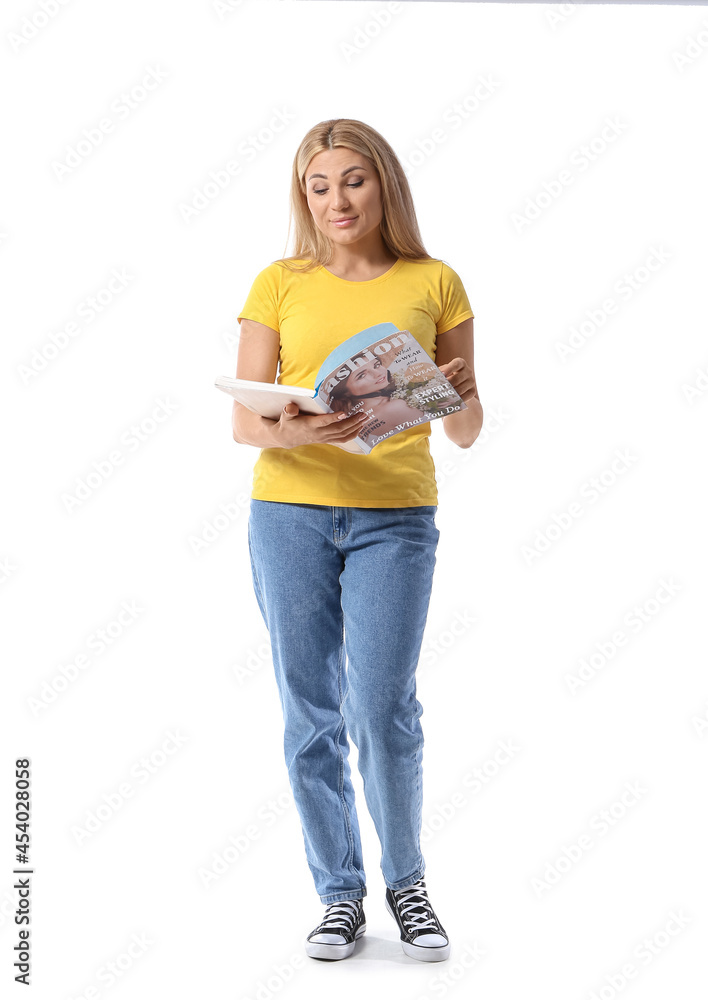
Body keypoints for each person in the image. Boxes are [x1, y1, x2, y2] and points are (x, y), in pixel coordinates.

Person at [232, 119, 483, 963]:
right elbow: (244, 420)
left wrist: (455, 396)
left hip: (395, 519)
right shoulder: (278, 283)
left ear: (385, 185)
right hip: (290, 515)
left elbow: (469, 433)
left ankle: (406, 884)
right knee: (310, 712)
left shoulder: (436, 281)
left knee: (381, 706)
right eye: (318, 186)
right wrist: (307, 433)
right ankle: (340, 894)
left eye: (353, 180)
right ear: (304, 198)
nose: (337, 200)